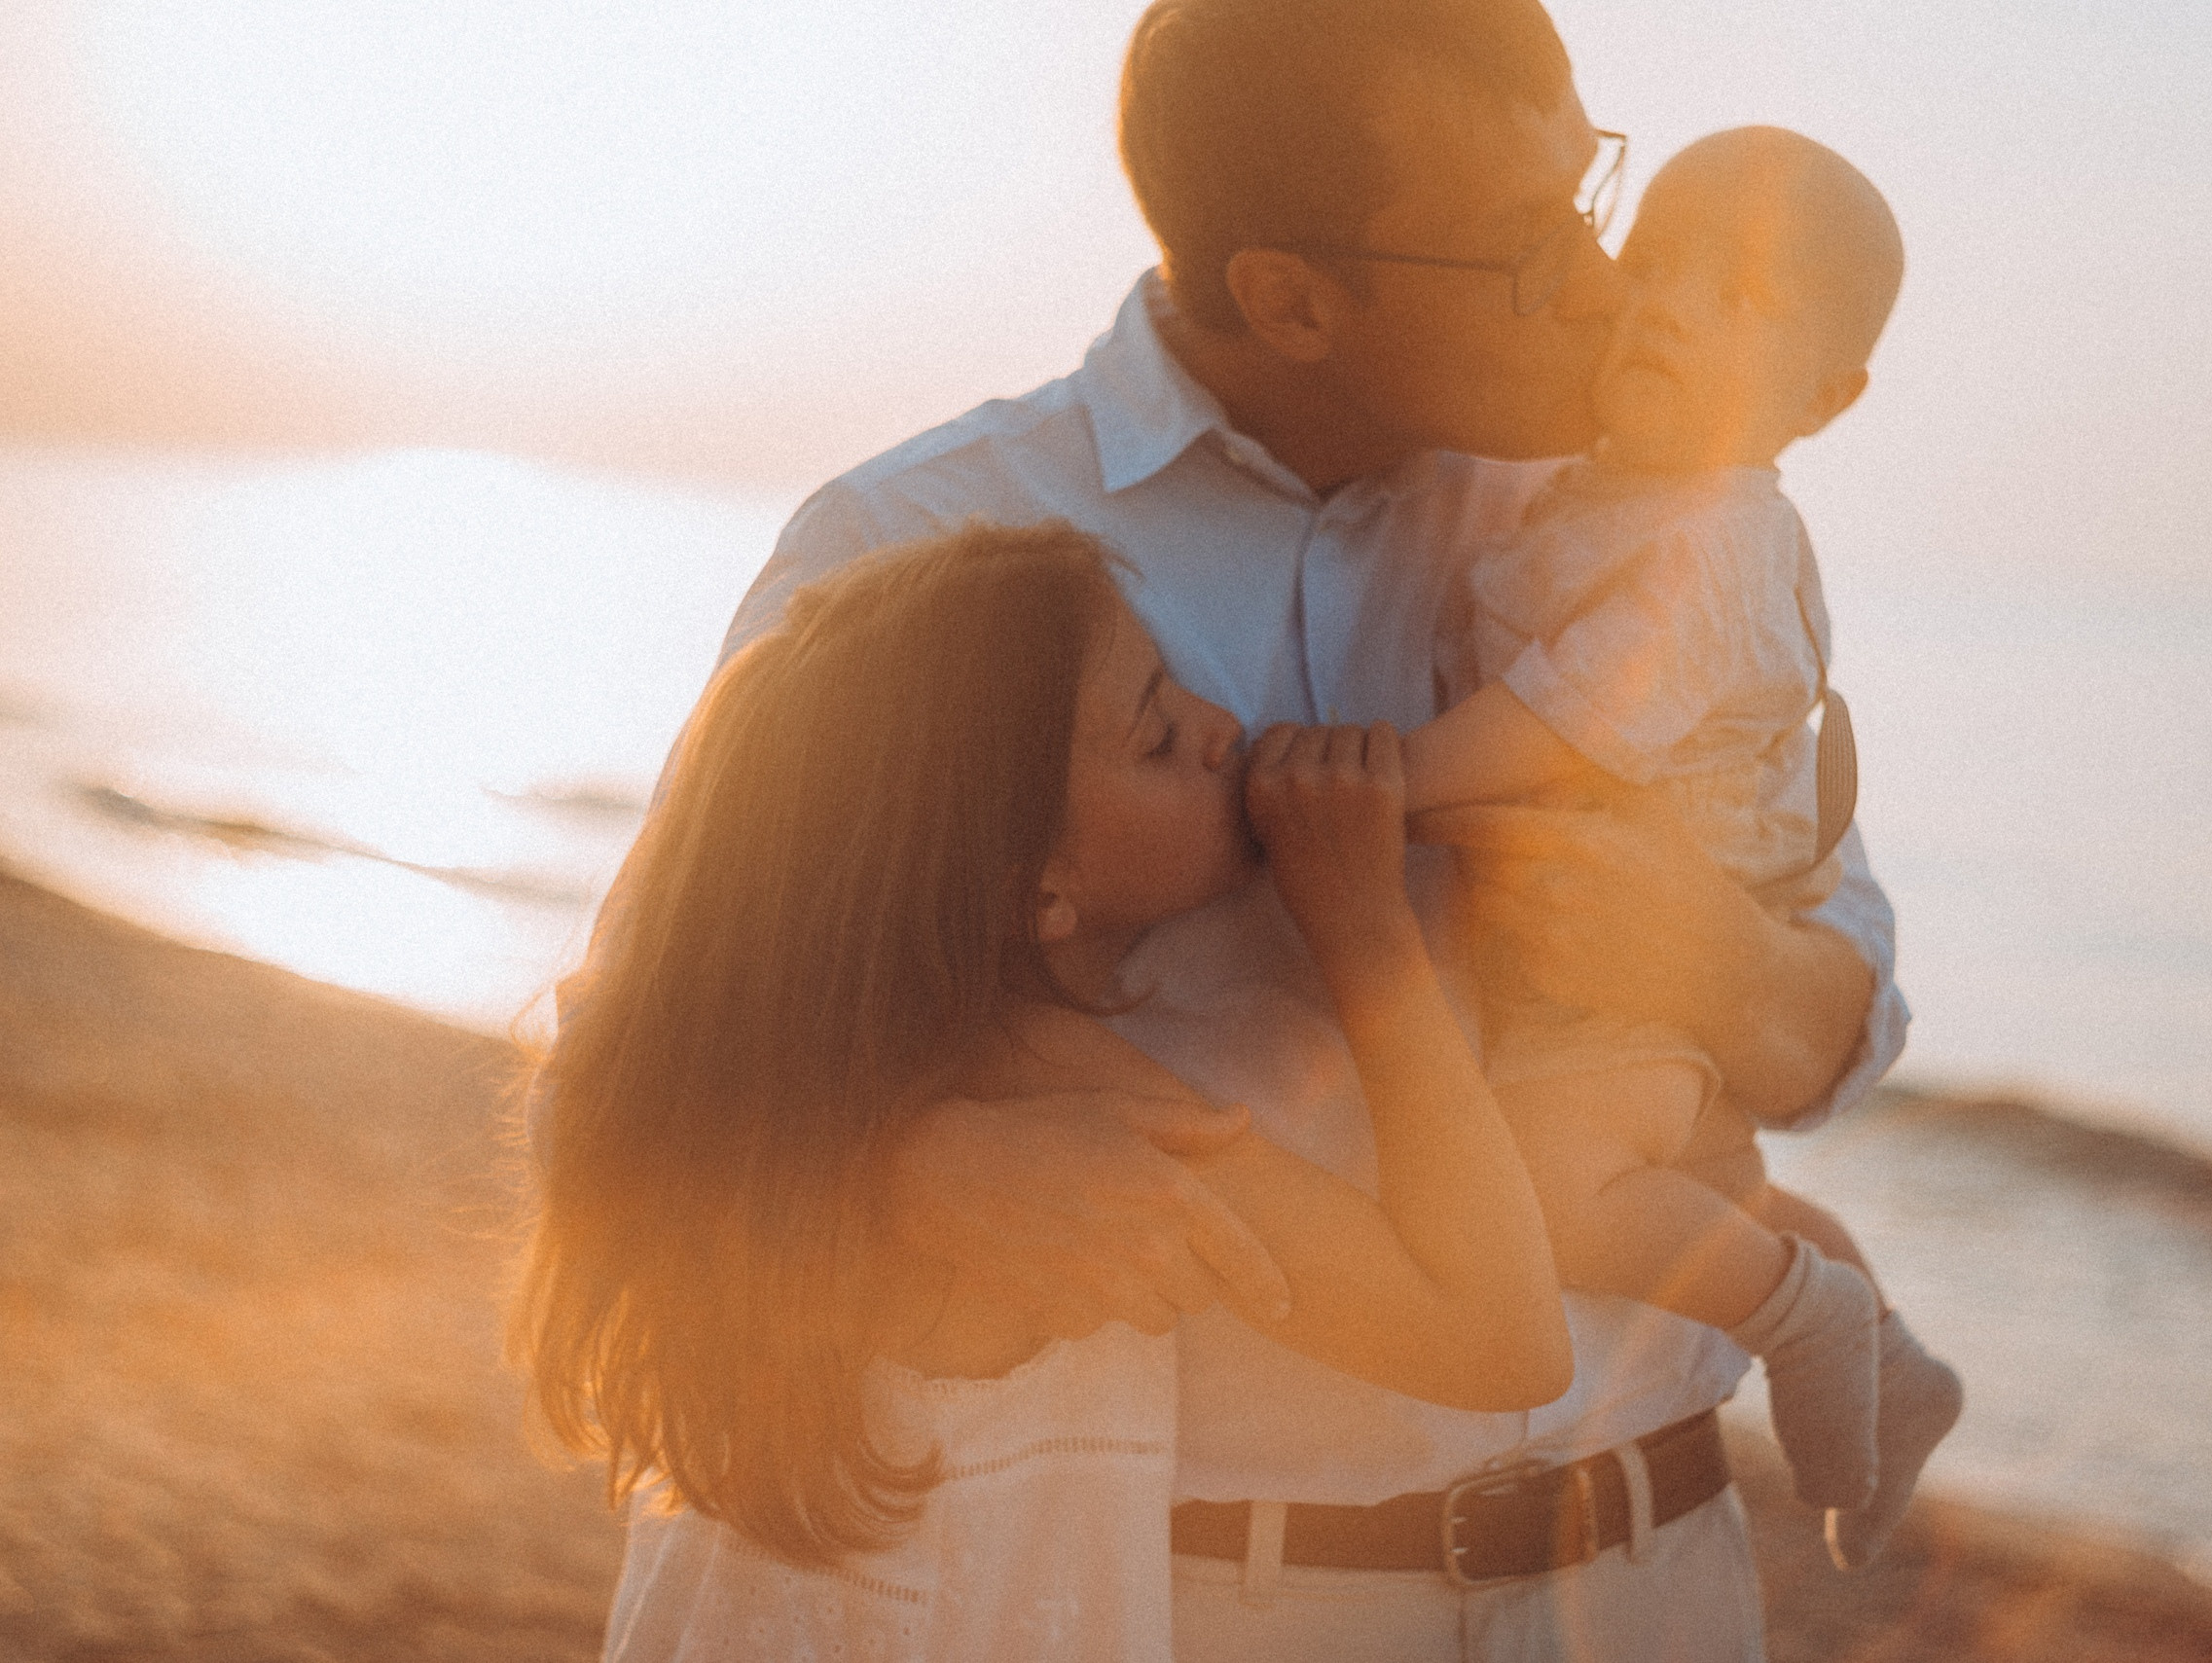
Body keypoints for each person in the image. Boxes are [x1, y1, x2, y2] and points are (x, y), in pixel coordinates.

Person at [707, 0, 1908, 1654]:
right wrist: (907, 1164)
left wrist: (1717, 964)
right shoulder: (921, 544)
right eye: (1522, 241)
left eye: (1590, 195)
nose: (1597, 280)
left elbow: (1841, 1014)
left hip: (1659, 1562)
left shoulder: (1646, 506)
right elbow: (650, 1056)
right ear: (1290, 296)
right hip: (1230, 1595)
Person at [517, 522, 1573, 1661]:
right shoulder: (1039, 1079)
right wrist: (1366, 929)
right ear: (1037, 891)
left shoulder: (809, 1073)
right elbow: (1499, 1335)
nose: (1220, 728)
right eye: (1157, 736)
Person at [1400, 125, 1962, 1571]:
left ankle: (1807, 1318)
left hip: (1614, 975)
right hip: (1594, 965)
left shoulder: (1715, 542)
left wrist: (1388, 785)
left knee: (1561, 1194)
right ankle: (1894, 1363)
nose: (1664, 307)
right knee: (1720, 1191)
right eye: (1652, 264)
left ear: (1825, 397)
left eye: (1738, 297)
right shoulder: (1599, 493)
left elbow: (1561, 721)